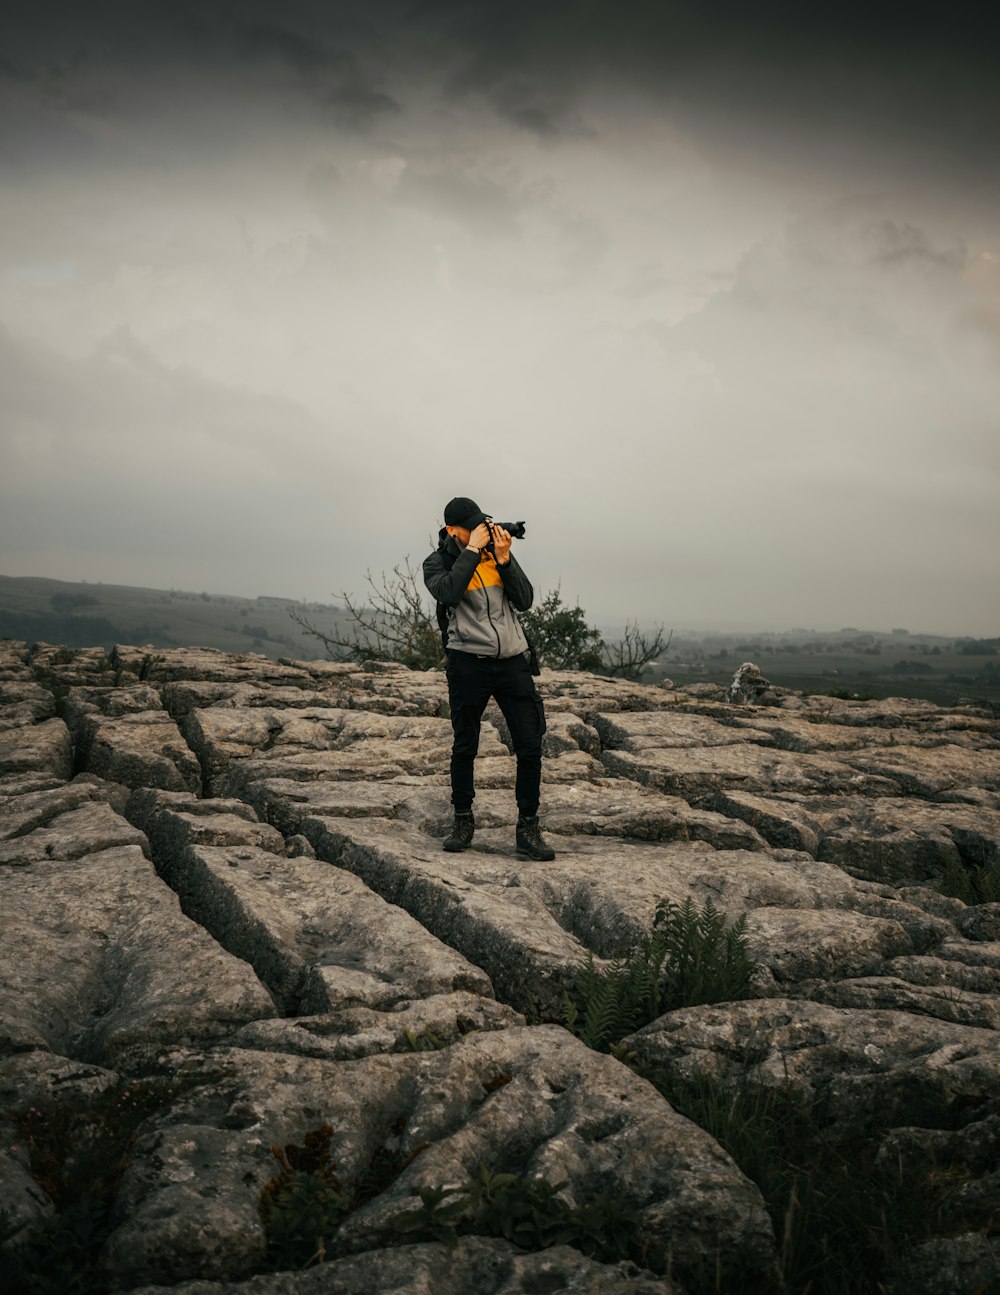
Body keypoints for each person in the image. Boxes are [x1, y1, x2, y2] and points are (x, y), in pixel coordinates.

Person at [423, 496, 555, 861]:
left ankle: (528, 827)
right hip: (468, 662)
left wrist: (504, 558)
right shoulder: (437, 562)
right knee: (465, 745)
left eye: (484, 524)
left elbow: (525, 600)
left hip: (512, 662)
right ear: (453, 530)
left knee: (530, 744)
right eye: (473, 526)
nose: (482, 530)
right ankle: (463, 820)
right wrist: (472, 552)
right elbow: (448, 592)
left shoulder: (494, 557)